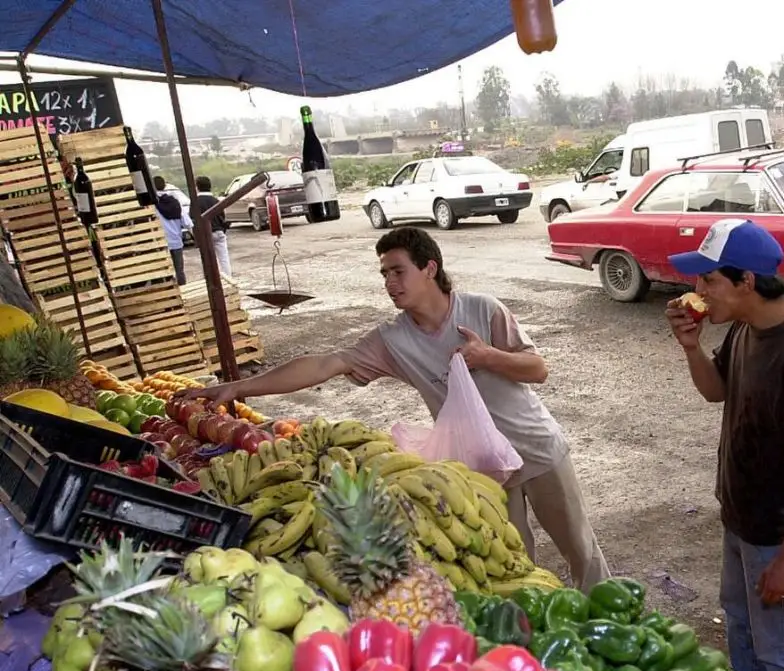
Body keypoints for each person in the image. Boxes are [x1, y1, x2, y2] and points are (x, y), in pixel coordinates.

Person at [181, 226, 611, 591]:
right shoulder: (393, 340)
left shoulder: (481, 309)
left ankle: (615, 624)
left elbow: (537, 369)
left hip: (536, 448)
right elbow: (326, 365)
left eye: (398, 271)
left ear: (430, 268)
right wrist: (239, 386)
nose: (390, 282)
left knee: (580, 549)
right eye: (384, 273)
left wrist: (487, 357)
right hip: (484, 467)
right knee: (510, 563)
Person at [664, 218, 784, 671]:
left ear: (746, 282)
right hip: (740, 515)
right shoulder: (746, 327)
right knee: (742, 623)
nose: (697, 291)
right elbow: (715, 390)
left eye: (709, 280)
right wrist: (690, 347)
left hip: (776, 531)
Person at [153, 176, 192, 285]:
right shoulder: (175, 202)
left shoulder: (152, 205)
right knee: (179, 271)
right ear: (165, 186)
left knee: (165, 273)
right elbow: (188, 223)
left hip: (161, 244)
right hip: (176, 242)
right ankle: (183, 292)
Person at [195, 175, 232, 279]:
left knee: (208, 260)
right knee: (224, 258)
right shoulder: (215, 200)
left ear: (197, 187)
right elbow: (222, 217)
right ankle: (228, 279)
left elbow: (193, 220)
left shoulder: (195, 202)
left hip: (205, 235)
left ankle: (211, 281)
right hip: (219, 232)